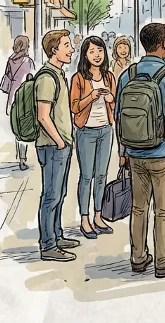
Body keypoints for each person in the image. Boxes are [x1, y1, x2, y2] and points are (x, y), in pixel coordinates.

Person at [114, 23, 165, 278]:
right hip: (164, 154)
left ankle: (138, 257)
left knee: (138, 208)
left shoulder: (127, 75)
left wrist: (123, 151)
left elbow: (119, 117)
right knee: (163, 210)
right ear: (163, 44)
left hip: (135, 154)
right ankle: (163, 260)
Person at [34, 29, 81, 262]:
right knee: (51, 195)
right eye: (66, 45)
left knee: (59, 193)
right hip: (53, 146)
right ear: (54, 50)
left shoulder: (58, 73)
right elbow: (43, 116)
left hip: (60, 145)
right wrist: (60, 141)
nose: (71, 49)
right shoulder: (46, 77)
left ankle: (57, 234)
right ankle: (48, 244)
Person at [69, 36, 117, 239]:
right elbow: (74, 106)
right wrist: (92, 96)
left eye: (100, 51)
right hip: (86, 131)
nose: (97, 55)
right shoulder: (79, 78)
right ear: (85, 55)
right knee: (86, 176)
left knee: (102, 176)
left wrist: (109, 97)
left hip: (106, 129)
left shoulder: (109, 76)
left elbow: (114, 101)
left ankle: (98, 216)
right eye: (92, 51)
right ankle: (84, 219)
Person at [2, 35, 35, 170]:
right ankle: (22, 158)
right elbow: (31, 78)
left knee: (16, 128)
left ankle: (20, 157)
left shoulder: (10, 60)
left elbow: (7, 79)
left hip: (13, 97)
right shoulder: (28, 61)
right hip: (24, 97)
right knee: (25, 126)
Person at [110, 35, 134, 169]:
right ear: (115, 49)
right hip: (117, 100)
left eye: (125, 47)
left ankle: (129, 155)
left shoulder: (132, 64)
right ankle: (122, 155)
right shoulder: (112, 65)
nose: (123, 50)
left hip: (130, 101)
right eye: (120, 47)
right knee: (120, 129)